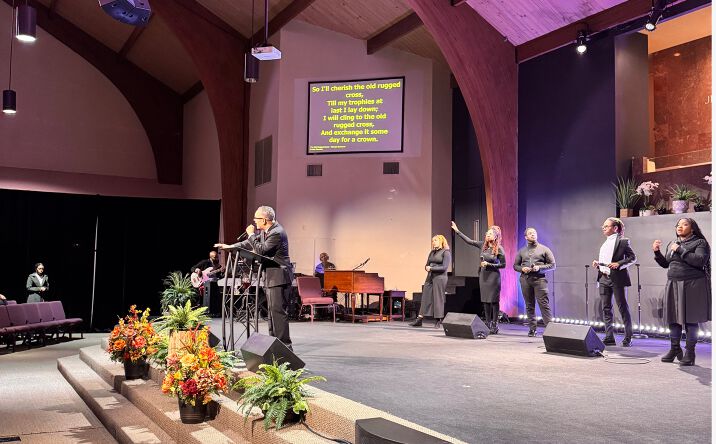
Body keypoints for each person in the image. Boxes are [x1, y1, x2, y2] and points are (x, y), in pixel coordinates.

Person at [215, 206, 293, 348]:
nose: (254, 221)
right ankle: (275, 347)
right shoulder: (266, 231)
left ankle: (286, 349)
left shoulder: (276, 232)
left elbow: (261, 250)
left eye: (256, 218)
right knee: (272, 315)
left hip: (279, 278)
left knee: (278, 314)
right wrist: (230, 246)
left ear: (264, 220)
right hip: (271, 278)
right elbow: (247, 243)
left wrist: (250, 234)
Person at [653, 218, 710, 366]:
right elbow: (666, 264)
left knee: (691, 319)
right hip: (673, 283)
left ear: (692, 228)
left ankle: (690, 353)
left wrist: (680, 250)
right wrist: (657, 252)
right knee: (673, 318)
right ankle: (675, 349)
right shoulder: (673, 243)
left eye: (684, 224)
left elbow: (700, 261)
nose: (680, 227)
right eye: (678, 225)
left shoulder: (700, 243)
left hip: (693, 284)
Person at [451, 221, 505, 334]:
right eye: (487, 234)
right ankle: (488, 323)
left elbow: (503, 265)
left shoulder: (499, 249)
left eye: (490, 234)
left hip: (493, 278)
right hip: (483, 276)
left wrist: (489, 264)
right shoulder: (482, 246)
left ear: (495, 236)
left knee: (494, 301)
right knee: (485, 301)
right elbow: (469, 241)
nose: (488, 235)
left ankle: (495, 324)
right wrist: (457, 231)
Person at [592, 217, 636, 347]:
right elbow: (606, 260)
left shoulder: (623, 241)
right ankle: (609, 337)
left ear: (615, 228)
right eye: (603, 226)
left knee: (622, 307)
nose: (603, 228)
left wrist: (619, 264)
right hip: (603, 277)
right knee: (606, 308)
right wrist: (599, 264)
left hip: (616, 278)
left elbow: (632, 257)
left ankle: (628, 337)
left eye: (606, 226)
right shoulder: (605, 243)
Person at [513, 227, 555, 337]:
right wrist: (522, 269)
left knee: (543, 304)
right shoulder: (522, 251)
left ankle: (550, 330)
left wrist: (539, 268)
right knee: (529, 305)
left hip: (540, 280)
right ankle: (532, 329)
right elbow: (515, 266)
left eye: (534, 233)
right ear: (526, 237)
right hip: (525, 280)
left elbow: (553, 265)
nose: (533, 234)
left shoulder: (544, 249)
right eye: (530, 233)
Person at [410, 235, 452, 328]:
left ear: (441, 241)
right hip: (430, 276)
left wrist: (432, 268)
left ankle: (438, 320)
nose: (433, 242)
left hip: (440, 277)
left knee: (438, 298)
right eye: (433, 241)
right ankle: (419, 319)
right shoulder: (432, 252)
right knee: (425, 296)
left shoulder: (446, 252)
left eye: (435, 240)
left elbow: (444, 267)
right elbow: (427, 264)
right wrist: (427, 267)